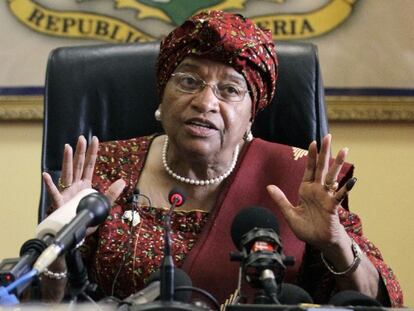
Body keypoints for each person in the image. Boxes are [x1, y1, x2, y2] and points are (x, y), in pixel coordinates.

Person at [41, 10, 403, 307]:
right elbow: (41, 303)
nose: (205, 102)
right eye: (188, 82)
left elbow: (378, 301)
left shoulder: (296, 182)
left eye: (229, 89)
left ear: (251, 114)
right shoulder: (105, 170)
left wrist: (335, 242)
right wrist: (58, 245)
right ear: (161, 96)